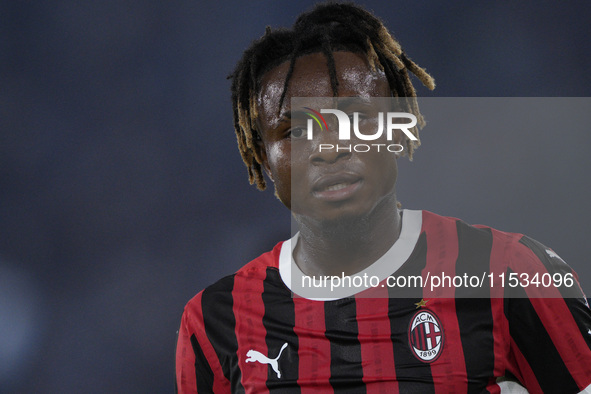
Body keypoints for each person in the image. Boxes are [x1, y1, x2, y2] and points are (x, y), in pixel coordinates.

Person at [175, 3, 591, 393]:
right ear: (263, 158)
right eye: (296, 131)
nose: (329, 148)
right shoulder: (215, 324)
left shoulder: (509, 274)